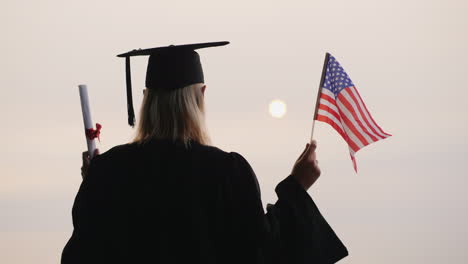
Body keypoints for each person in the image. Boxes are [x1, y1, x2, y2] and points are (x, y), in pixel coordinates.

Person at [61, 41, 348, 264]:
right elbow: (261, 253)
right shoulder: (226, 172)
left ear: (146, 99)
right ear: (201, 95)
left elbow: (83, 254)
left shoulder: (109, 171)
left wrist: (95, 183)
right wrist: (297, 187)